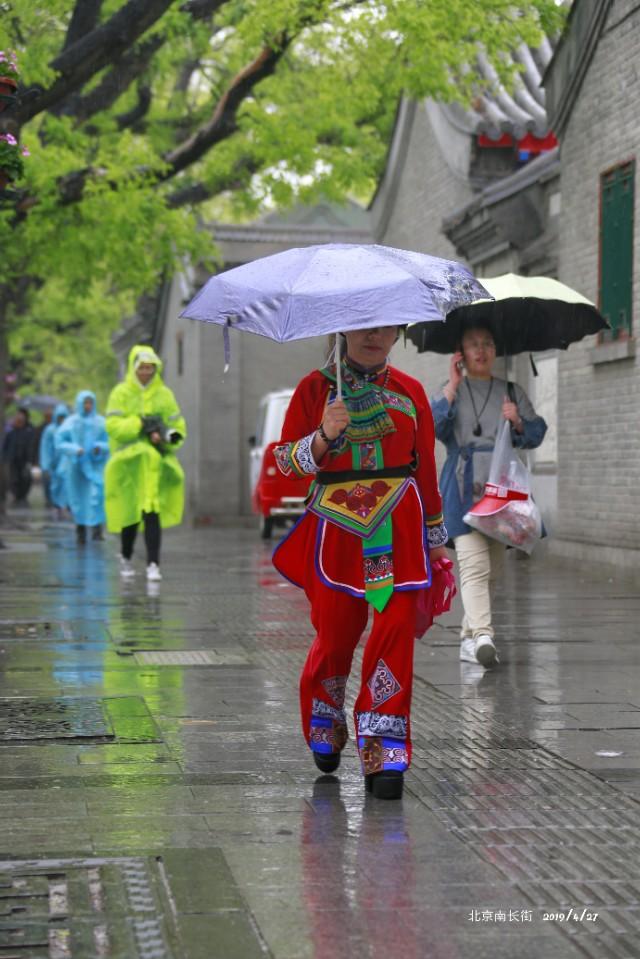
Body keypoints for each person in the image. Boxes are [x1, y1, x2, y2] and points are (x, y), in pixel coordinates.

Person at [272, 326, 448, 800]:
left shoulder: (410, 393)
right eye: (364, 325)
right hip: (338, 530)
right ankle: (324, 718)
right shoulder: (316, 388)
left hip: (401, 528)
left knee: (394, 632)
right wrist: (324, 436)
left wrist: (436, 539)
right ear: (344, 328)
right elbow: (285, 461)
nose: (374, 335)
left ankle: (383, 750)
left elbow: (425, 468)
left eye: (386, 326)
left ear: (399, 333)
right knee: (336, 635)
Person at [430, 325, 547, 669]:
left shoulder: (511, 390)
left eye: (488, 344)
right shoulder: (451, 390)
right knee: (475, 565)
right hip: (462, 487)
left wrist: (519, 423)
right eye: (473, 345)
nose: (481, 351)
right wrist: (452, 384)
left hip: (502, 489)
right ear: (461, 353)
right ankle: (483, 635)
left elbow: (537, 432)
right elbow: (433, 427)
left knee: (494, 569)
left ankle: (469, 638)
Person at [104, 345, 186, 582]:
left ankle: (153, 563)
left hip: (154, 465)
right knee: (130, 512)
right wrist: (139, 424)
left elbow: (177, 428)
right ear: (134, 367)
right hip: (127, 465)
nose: (146, 372)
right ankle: (126, 555)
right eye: (142, 368)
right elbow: (113, 427)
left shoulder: (165, 395)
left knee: (152, 511)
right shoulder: (120, 393)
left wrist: (165, 438)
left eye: (150, 368)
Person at [56, 391, 109, 544]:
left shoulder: (101, 422)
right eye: (85, 403)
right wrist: (75, 449)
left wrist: (100, 448)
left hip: (96, 466)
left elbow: (109, 441)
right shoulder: (71, 422)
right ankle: (81, 529)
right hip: (76, 467)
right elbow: (59, 441)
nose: (87, 406)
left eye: (90, 403)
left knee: (96, 497)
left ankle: (97, 529)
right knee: (78, 498)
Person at [39, 403, 70, 517]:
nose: (62, 420)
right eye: (60, 417)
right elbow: (45, 448)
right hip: (53, 463)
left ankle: (65, 505)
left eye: (64, 417)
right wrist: (45, 464)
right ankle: (57, 505)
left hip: (66, 460)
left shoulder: (69, 429)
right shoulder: (50, 430)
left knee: (66, 481)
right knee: (55, 485)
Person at [1, 408, 35, 506]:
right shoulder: (11, 432)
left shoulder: (29, 430)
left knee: (26, 477)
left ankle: (23, 496)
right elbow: (6, 445)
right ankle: (16, 495)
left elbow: (32, 445)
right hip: (12, 458)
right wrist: (5, 457)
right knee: (13, 478)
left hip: (25, 459)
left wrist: (31, 459)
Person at [33, 407, 54, 506]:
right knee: (46, 480)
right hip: (44, 459)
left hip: (55, 460)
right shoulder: (39, 429)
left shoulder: (57, 428)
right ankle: (48, 499)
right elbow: (35, 445)